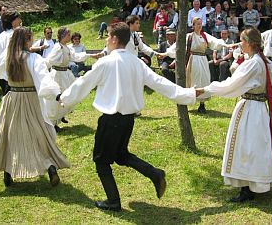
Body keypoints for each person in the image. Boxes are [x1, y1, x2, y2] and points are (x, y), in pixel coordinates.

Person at [59, 22, 196, 212]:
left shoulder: (106, 62)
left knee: (101, 160)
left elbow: (83, 83)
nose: (106, 40)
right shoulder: (136, 62)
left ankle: (113, 201)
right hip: (128, 119)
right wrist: (187, 94)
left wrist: (63, 98)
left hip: (111, 119)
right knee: (121, 155)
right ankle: (155, 174)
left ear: (115, 39)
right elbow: (160, 83)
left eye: (108, 36)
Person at [195, 28, 272, 203]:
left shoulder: (254, 63)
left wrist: (206, 89)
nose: (240, 43)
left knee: (245, 146)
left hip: (251, 107)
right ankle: (254, 183)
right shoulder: (261, 60)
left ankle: (247, 188)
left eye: (242, 41)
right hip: (259, 109)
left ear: (250, 43)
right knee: (256, 146)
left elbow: (231, 84)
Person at [0, 27, 70, 187]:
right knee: (39, 132)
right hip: (31, 99)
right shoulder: (33, 59)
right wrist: (57, 95)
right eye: (31, 38)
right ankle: (50, 166)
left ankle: (8, 172)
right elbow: (44, 79)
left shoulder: (8, 57)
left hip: (13, 98)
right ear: (26, 40)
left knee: (10, 134)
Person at [158, 17, 238, 114]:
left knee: (204, 80)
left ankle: (202, 105)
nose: (200, 26)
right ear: (193, 25)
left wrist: (227, 45)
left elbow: (216, 42)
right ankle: (187, 101)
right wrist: (165, 54)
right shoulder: (189, 36)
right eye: (198, 24)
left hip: (203, 60)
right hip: (193, 60)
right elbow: (177, 46)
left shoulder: (205, 36)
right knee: (193, 80)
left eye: (201, 24)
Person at [45, 27, 94, 131]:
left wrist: (90, 55)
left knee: (67, 96)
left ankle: (56, 121)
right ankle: (52, 123)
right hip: (57, 75)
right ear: (63, 36)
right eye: (68, 35)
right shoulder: (58, 47)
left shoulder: (65, 47)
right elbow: (49, 61)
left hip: (65, 74)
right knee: (56, 100)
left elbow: (75, 57)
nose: (70, 37)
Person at [0, 11, 22, 95]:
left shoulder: (15, 34)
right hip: (8, 71)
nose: (20, 20)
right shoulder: (7, 35)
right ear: (12, 21)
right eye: (18, 19)